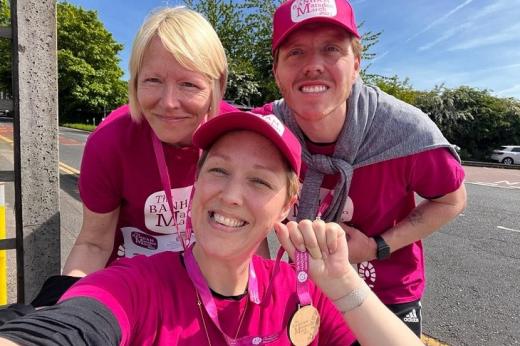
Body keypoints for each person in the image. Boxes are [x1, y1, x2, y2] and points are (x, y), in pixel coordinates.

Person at [0, 111, 423, 346]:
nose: (231, 196)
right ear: (197, 184)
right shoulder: (137, 284)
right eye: (218, 171)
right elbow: (70, 327)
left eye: (260, 181)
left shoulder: (307, 292)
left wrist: (345, 285)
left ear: (287, 205)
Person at [0, 5, 237, 321]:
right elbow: (95, 244)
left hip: (208, 288)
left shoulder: (239, 135)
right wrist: (66, 317)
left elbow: (251, 244)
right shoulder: (111, 140)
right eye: (152, 80)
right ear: (135, 80)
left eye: (188, 84)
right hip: (129, 289)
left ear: (216, 83)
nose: (167, 103)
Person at [253, 0, 467, 336]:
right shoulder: (264, 130)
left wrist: (376, 246)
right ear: (277, 71)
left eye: (331, 49)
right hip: (299, 288)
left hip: (386, 293)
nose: (313, 65)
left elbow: (452, 200)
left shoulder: (404, 132)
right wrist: (263, 271)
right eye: (295, 52)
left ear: (355, 65)